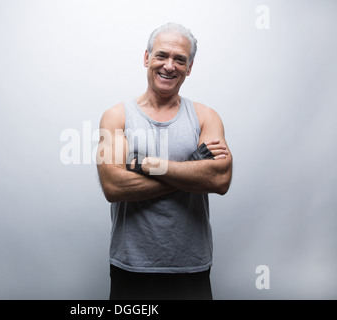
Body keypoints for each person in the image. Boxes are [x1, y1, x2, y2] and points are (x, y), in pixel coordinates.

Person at [96, 23, 233, 300]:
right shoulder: (116, 116)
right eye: (162, 55)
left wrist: (144, 163)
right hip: (131, 265)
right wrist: (194, 168)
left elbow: (218, 180)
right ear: (146, 58)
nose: (169, 65)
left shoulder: (207, 117)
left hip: (190, 265)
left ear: (189, 67)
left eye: (179, 59)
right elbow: (113, 186)